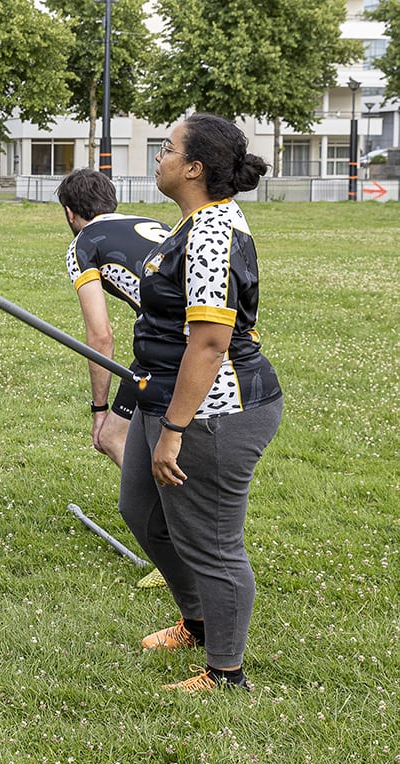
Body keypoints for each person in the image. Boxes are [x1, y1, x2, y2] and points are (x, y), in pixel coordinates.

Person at [119, 113, 283, 693]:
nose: (158, 158)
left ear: (193, 168)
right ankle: (196, 621)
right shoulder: (193, 222)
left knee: (212, 543)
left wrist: (175, 429)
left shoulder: (213, 233)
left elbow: (211, 343)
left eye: (167, 150)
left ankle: (226, 671)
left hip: (216, 410)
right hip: (163, 395)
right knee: (142, 512)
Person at [56, 168, 170, 467]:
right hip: (216, 331)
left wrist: (100, 409)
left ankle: (163, 512)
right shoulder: (152, 222)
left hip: (170, 339)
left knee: (110, 436)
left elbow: (101, 336)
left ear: (70, 213)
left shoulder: (84, 243)